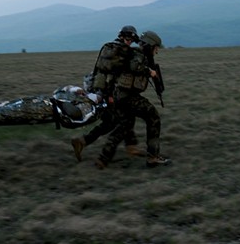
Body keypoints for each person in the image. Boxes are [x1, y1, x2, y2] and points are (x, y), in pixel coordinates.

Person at [96, 30, 170, 169]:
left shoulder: (133, 53)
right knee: (153, 117)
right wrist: (149, 72)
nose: (157, 51)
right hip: (127, 97)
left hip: (120, 96)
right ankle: (153, 157)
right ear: (150, 45)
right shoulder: (138, 55)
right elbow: (134, 67)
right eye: (156, 48)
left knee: (124, 126)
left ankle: (103, 158)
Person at [70, 26, 144, 162]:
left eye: (131, 40)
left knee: (115, 120)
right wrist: (108, 95)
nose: (129, 41)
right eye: (128, 38)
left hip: (102, 90)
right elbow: (109, 74)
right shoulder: (119, 50)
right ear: (122, 36)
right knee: (123, 118)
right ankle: (127, 147)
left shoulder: (110, 47)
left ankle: (83, 141)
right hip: (109, 92)